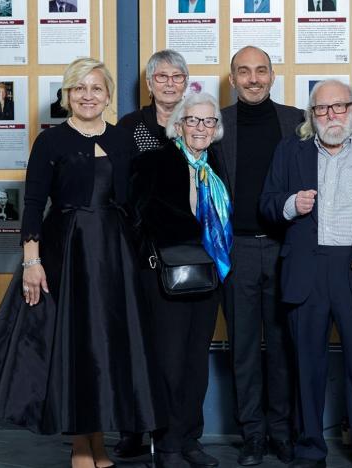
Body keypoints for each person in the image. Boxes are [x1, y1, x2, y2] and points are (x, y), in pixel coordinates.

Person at [0, 57, 163, 468]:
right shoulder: (51, 142)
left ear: (108, 95)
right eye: (79, 88)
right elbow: (34, 204)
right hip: (66, 255)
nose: (88, 95)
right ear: (67, 95)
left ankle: (100, 443)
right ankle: (79, 446)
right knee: (75, 346)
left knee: (106, 348)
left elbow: (140, 196)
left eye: (96, 88)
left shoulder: (125, 138)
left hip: (114, 256)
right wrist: (31, 262)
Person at [260, 79, 352, 468]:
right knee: (306, 367)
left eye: (339, 107)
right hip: (307, 270)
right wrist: (291, 203)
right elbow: (268, 204)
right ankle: (309, 448)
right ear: (312, 115)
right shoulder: (291, 152)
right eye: (322, 109)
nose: (331, 115)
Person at [212, 45, 303, 466]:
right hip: (238, 250)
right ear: (232, 79)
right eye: (244, 72)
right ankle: (252, 434)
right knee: (244, 348)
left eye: (261, 71)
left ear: (272, 75)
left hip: (287, 248)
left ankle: (282, 432)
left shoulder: (297, 120)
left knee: (284, 345)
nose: (253, 79)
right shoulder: (217, 124)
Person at [130, 92, 231, 468]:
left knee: (195, 363)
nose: (201, 128)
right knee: (168, 363)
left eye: (209, 121)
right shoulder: (154, 162)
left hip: (208, 276)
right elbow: (136, 218)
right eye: (193, 120)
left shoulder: (215, 164)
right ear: (179, 125)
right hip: (165, 276)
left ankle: (190, 438)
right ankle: (167, 443)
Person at [115, 48, 190, 458]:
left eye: (177, 77)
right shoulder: (132, 127)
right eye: (161, 77)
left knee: (172, 351)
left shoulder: (196, 122)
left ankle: (172, 436)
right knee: (136, 342)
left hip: (183, 253)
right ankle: (133, 430)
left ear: (186, 82)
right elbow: (121, 190)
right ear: (148, 83)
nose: (169, 84)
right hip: (139, 251)